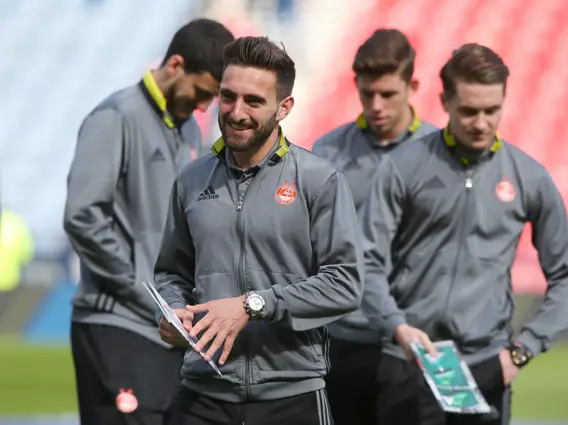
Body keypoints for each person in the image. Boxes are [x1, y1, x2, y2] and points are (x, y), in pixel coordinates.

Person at [359, 43, 568, 425]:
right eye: (468, 111)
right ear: (445, 101)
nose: (481, 122)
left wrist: (521, 351)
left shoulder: (529, 177)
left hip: (487, 366)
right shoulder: (402, 167)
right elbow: (366, 261)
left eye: (491, 110)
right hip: (409, 363)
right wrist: (396, 326)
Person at [154, 36, 363, 425]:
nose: (236, 112)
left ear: (284, 107)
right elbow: (171, 272)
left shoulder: (320, 180)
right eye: (228, 96)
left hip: (292, 394)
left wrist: (254, 305)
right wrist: (173, 311)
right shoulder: (190, 180)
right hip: (203, 393)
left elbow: (346, 283)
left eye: (253, 101)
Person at [63, 19, 234, 425]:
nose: (205, 106)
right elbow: (82, 216)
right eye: (202, 92)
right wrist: (142, 289)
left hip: (167, 330)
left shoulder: (192, 129)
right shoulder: (115, 117)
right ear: (175, 65)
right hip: (118, 326)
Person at [311, 28, 438, 425]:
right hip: (343, 340)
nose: (376, 105)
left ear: (412, 85)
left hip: (416, 339)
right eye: (367, 94)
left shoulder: (442, 153)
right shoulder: (327, 152)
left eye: (388, 94)